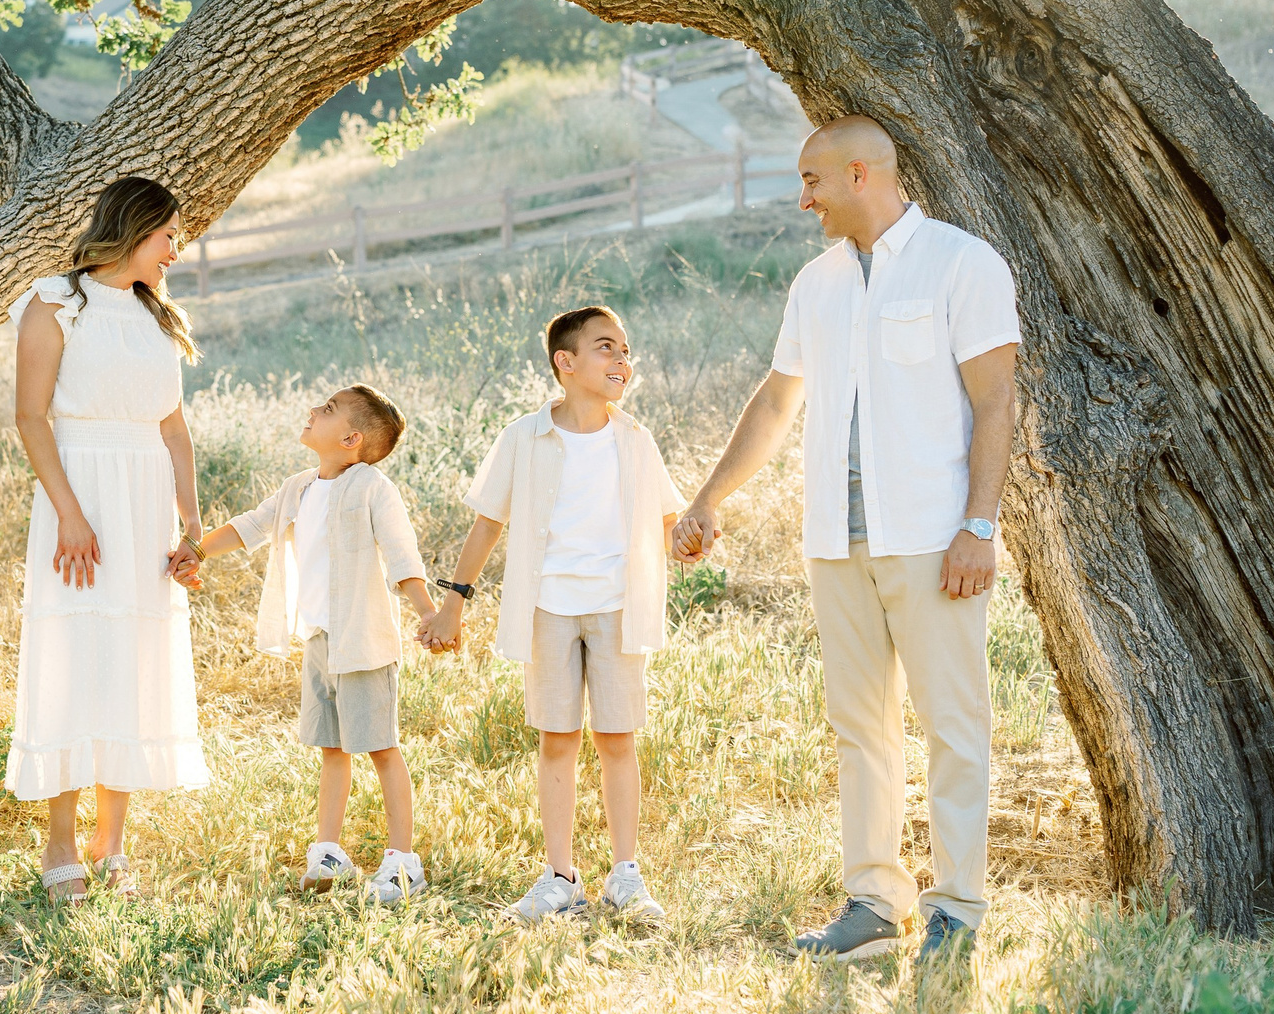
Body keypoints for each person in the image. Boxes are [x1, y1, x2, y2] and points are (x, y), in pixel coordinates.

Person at [673, 116, 1020, 965]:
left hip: (933, 540)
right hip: (836, 540)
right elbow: (775, 401)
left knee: (954, 726)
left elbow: (996, 401)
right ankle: (874, 902)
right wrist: (709, 496)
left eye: (812, 181)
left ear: (860, 174)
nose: (804, 200)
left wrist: (979, 524)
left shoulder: (961, 263)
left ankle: (957, 910)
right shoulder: (815, 284)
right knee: (860, 728)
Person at [421, 306, 682, 925]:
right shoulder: (524, 437)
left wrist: (690, 540)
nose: (622, 359)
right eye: (606, 347)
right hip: (547, 610)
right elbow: (488, 523)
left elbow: (668, 522)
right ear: (566, 362)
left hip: (617, 607)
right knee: (557, 739)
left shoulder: (635, 439)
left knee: (618, 738)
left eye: (626, 350)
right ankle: (561, 877)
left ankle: (626, 874)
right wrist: (453, 603)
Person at [6, 176, 211, 903]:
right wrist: (69, 512)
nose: (175, 251)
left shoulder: (159, 318)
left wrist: (192, 526)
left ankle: (111, 840)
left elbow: (173, 429)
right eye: (169, 236)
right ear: (135, 227)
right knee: (74, 659)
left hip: (144, 504)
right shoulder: (53, 304)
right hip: (80, 493)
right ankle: (60, 839)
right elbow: (31, 416)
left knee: (131, 662)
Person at [176, 385, 439, 904]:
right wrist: (195, 550)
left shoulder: (372, 488)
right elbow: (251, 526)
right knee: (332, 748)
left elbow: (401, 554)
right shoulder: (298, 488)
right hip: (319, 638)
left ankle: (403, 861)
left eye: (329, 408)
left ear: (351, 439)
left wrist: (429, 613)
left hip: (363, 641)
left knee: (381, 747)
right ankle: (329, 850)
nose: (314, 409)